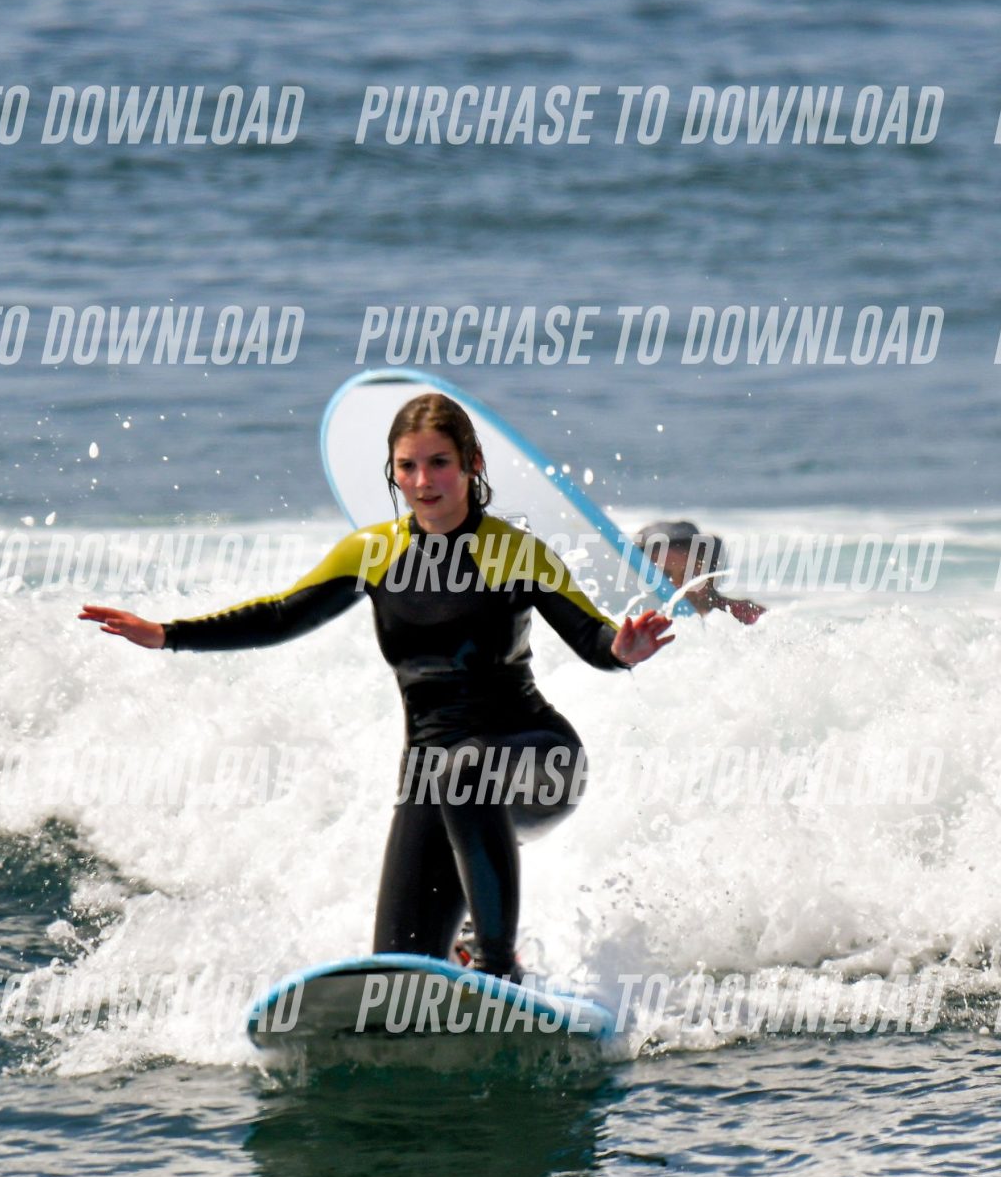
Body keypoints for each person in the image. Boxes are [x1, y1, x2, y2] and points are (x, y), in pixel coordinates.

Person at [81, 393, 671, 982]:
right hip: (432, 778)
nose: (423, 481)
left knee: (465, 773)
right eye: (407, 466)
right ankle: (462, 960)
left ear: (473, 463)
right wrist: (169, 634)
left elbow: (592, 636)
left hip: (538, 759)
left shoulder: (515, 552)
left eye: (439, 463)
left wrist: (622, 650)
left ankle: (499, 967)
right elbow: (281, 615)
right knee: (399, 972)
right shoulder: (374, 553)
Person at [634, 519, 765, 624]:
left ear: (710, 577)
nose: (679, 587)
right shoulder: (632, 624)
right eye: (665, 577)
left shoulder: (743, 616)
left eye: (690, 575)